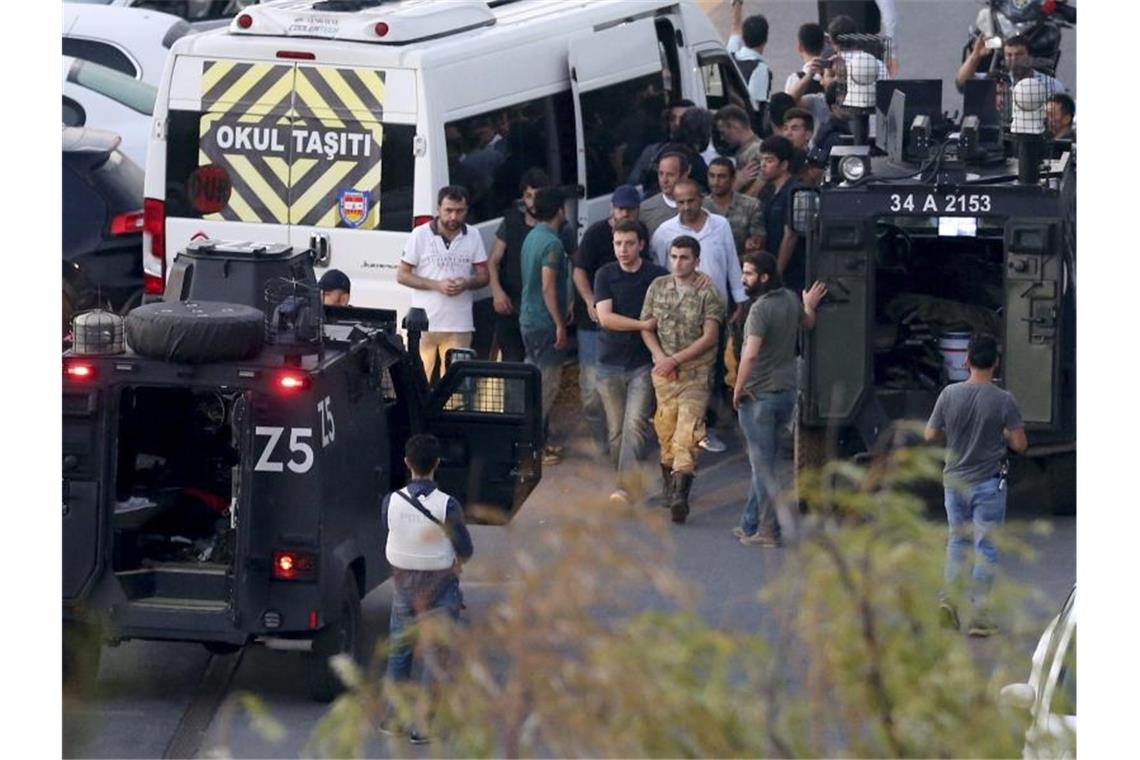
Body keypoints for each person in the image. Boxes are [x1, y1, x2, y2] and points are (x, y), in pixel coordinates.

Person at [924, 333, 1027, 637]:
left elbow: (930, 435)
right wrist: (1005, 434)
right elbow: (1020, 444)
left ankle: (948, 603)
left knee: (957, 541)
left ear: (966, 361)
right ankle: (980, 615)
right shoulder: (1003, 400)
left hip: (954, 482)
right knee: (986, 547)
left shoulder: (948, 394)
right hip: (988, 483)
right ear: (996, 363)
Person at [381, 433, 473, 744]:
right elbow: (466, 548)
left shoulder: (390, 501)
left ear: (406, 463)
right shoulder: (448, 505)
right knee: (435, 656)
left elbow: (391, 528)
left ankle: (394, 717)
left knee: (399, 651)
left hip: (404, 586)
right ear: (437, 464)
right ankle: (423, 725)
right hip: (441, 588)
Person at [732, 253, 827, 547]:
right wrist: (809, 305)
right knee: (765, 462)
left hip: (758, 394)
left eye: (748, 274)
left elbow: (750, 354)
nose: (743, 279)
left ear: (763, 277)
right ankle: (749, 523)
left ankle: (769, 530)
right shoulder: (788, 299)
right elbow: (809, 323)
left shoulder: (759, 310)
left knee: (762, 466)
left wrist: (737, 388)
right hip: (786, 393)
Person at [640, 235, 726, 524]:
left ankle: (681, 496)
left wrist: (675, 360)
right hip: (664, 374)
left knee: (686, 433)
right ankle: (669, 485)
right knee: (665, 430)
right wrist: (660, 358)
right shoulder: (658, 287)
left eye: (684, 257)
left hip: (696, 374)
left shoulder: (707, 292)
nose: (678, 263)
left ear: (697, 261)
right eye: (674, 257)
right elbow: (647, 327)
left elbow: (710, 336)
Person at [594, 219, 669, 503]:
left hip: (642, 363)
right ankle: (624, 479)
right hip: (609, 363)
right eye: (617, 243)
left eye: (628, 243)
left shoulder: (657, 275)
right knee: (615, 430)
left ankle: (623, 488)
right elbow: (605, 317)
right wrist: (642, 325)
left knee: (635, 424)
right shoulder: (605, 274)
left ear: (641, 245)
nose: (622, 249)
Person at [572, 185, 652, 453]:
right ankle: (602, 441)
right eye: (620, 208)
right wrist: (589, 301)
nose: (624, 213)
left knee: (628, 405)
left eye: (630, 209)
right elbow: (579, 271)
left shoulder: (641, 235)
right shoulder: (596, 233)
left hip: (627, 330)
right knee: (590, 393)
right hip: (593, 323)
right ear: (612, 209)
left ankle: (622, 451)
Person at [398, 186, 489, 382]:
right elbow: (402, 275)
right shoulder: (420, 235)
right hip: (423, 323)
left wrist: (466, 283)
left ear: (466, 210)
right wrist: (436, 285)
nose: (453, 217)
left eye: (460, 211)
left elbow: (484, 276)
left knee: (455, 386)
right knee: (417, 381)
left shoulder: (473, 235)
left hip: (459, 323)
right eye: (448, 211)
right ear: (438, 209)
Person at [488, 169, 573, 362]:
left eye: (538, 196)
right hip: (511, 304)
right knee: (513, 364)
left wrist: (571, 299)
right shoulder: (511, 222)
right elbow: (493, 261)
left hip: (542, 313)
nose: (533, 202)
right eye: (528, 196)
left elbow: (575, 264)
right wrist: (497, 291)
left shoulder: (561, 229)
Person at [519, 187, 571, 465]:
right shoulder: (553, 244)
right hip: (543, 323)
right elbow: (548, 286)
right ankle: (535, 448)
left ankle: (532, 443)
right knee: (546, 388)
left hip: (527, 319)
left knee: (532, 383)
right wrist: (560, 324)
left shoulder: (532, 236)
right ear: (559, 210)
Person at [755, 136, 806, 293]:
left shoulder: (796, 191)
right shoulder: (767, 191)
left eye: (769, 161)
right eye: (762, 160)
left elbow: (790, 236)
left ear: (784, 165)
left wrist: (777, 273)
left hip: (791, 272)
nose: (763, 165)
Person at [956, 33, 1067, 95]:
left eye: (1019, 55)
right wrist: (976, 56)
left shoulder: (1051, 86)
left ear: (1029, 56)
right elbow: (962, 83)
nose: (1014, 59)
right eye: (1009, 55)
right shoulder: (995, 79)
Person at [727, 0, 772, 116]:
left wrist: (737, 4)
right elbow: (754, 106)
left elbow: (735, 27)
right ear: (765, 40)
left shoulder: (731, 55)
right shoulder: (760, 68)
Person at [639, 151, 691, 237]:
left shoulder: (705, 205)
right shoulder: (645, 210)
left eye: (670, 175)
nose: (664, 180)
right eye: (660, 174)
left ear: (684, 175)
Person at [714, 105, 763, 194]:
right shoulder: (743, 151)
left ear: (735, 126)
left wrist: (737, 184)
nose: (722, 138)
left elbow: (755, 193)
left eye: (723, 132)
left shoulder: (757, 151)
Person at [783, 22, 827, 95]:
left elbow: (788, 103)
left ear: (800, 48)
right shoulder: (830, 77)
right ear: (823, 46)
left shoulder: (795, 79)